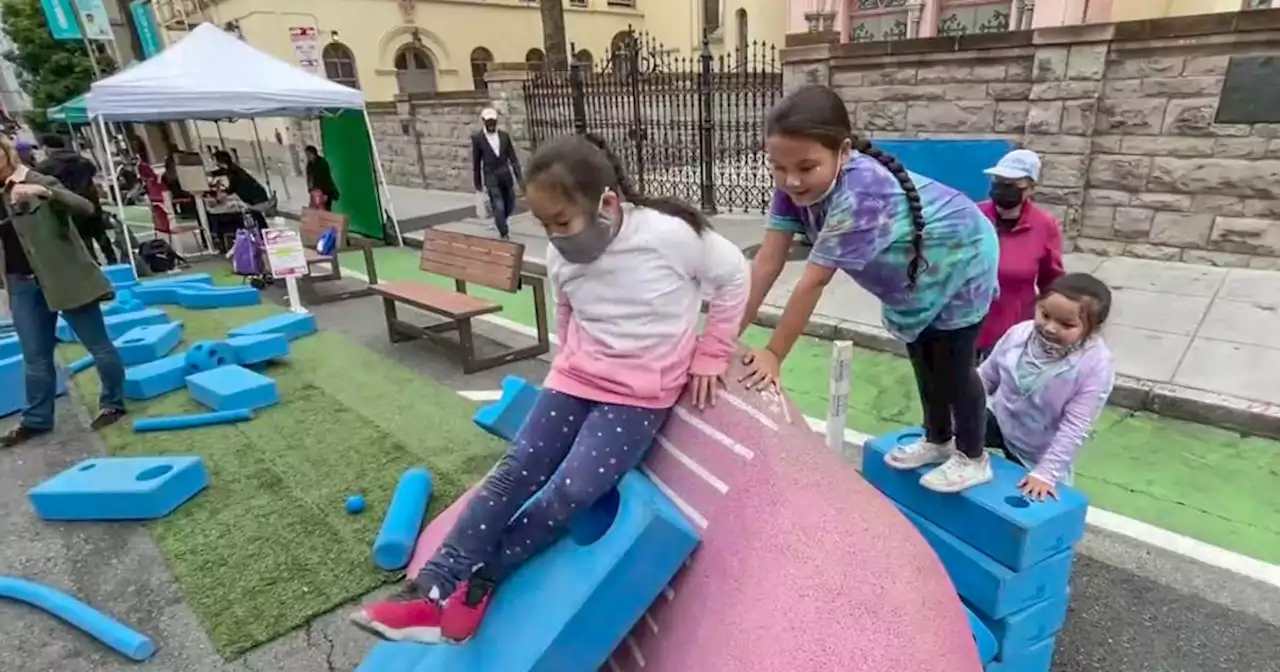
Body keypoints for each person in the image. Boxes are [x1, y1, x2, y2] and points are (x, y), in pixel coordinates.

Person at [350, 132, 749, 644]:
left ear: (606, 203)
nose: (556, 236)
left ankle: (484, 576)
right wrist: (564, 364)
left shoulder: (670, 236)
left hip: (638, 395)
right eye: (544, 226)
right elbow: (567, 311)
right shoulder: (562, 256)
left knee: (573, 490)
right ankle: (431, 589)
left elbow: (734, 276)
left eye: (562, 222)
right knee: (514, 472)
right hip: (576, 378)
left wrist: (714, 352)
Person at [739, 84, 999, 493]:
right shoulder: (793, 183)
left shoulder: (860, 194)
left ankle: (972, 455)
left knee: (952, 365)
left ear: (842, 152)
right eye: (777, 167)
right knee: (921, 355)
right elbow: (767, 262)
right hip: (917, 271)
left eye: (807, 168)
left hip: (962, 259)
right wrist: (724, 337)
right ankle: (937, 439)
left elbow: (813, 281)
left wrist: (774, 353)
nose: (791, 180)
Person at [0, 136, 128, 448]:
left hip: (64, 277)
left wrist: (46, 192)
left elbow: (84, 207)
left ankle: (113, 402)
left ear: (6, 154)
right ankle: (36, 420)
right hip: (21, 284)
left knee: (97, 344)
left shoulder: (37, 179)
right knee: (35, 356)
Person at [980, 273, 1114, 501]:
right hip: (1001, 418)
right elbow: (986, 376)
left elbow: (1075, 426)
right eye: (1045, 314)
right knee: (944, 432)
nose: (1050, 328)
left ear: (1092, 329)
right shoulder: (1020, 334)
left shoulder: (1095, 365)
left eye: (1066, 324)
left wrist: (1046, 473)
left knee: (1030, 500)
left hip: (1037, 448)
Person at [976, 149, 1063, 360]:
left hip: (1011, 329)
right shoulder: (974, 216)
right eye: (998, 182)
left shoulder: (1044, 225)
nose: (1002, 189)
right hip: (966, 323)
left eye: (1011, 185)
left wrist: (1053, 324)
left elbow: (1051, 281)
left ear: (1030, 188)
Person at [36, 133, 118, 265]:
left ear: (47, 148)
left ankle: (95, 265)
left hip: (70, 206)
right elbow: (93, 172)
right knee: (101, 235)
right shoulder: (82, 160)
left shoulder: (45, 167)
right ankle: (114, 262)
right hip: (92, 203)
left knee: (83, 241)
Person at [470, 108, 523, 240]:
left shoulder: (504, 136)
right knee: (498, 205)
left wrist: (520, 179)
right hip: (491, 175)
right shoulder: (478, 139)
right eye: (489, 122)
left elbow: (513, 158)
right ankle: (504, 232)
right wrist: (477, 182)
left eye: (493, 122)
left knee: (510, 203)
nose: (492, 125)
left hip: (505, 174)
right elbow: (476, 162)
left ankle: (500, 220)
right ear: (484, 122)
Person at [210, 149, 270, 227]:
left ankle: (262, 230)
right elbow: (219, 172)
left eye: (214, 160)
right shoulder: (230, 168)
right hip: (253, 194)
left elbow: (231, 188)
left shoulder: (233, 173)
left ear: (220, 161)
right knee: (255, 214)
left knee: (255, 214)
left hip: (255, 196)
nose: (212, 162)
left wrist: (219, 197)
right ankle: (262, 229)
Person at [304, 145, 340, 211]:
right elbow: (309, 178)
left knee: (325, 210)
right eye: (306, 155)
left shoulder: (322, 163)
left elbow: (326, 179)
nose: (307, 157)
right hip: (315, 193)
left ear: (314, 154)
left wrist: (326, 194)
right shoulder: (309, 165)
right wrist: (310, 189)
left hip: (325, 192)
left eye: (309, 154)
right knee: (317, 210)